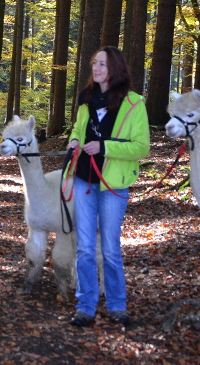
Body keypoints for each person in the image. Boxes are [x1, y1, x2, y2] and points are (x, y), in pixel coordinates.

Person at [64, 46, 149, 327]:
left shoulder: (135, 104)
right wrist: (74, 141)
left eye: (102, 64)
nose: (96, 68)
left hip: (113, 185)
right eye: (94, 63)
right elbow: (78, 130)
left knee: (110, 248)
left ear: (115, 68)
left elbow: (141, 147)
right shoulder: (86, 99)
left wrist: (104, 147)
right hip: (83, 179)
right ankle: (85, 306)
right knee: (85, 248)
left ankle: (117, 305)